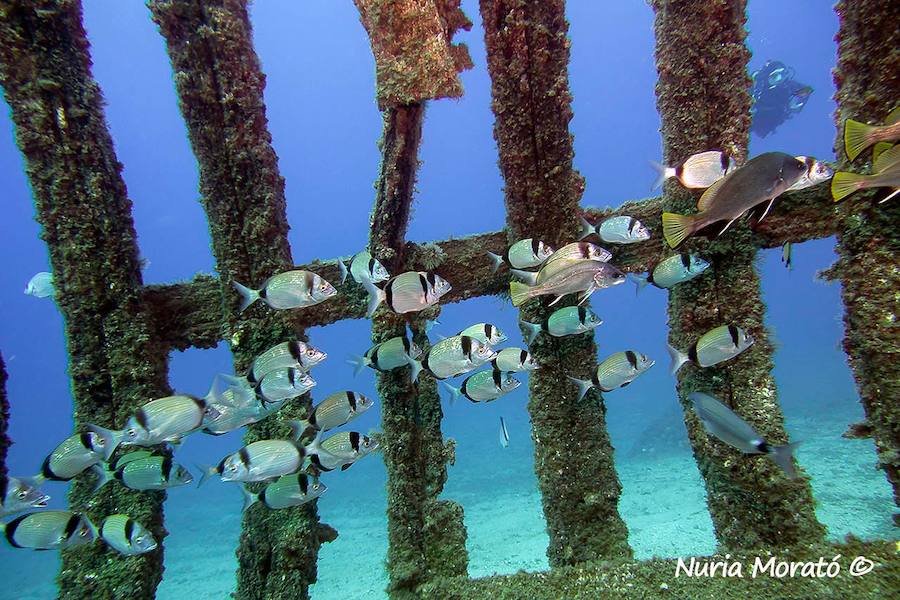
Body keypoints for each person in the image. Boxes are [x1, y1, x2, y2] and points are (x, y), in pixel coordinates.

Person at [750, 60, 813, 138]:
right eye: (775, 76)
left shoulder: (786, 85)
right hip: (754, 119)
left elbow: (808, 90)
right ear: (767, 76)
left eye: (782, 74)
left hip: (770, 120)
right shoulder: (757, 84)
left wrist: (797, 106)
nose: (779, 79)